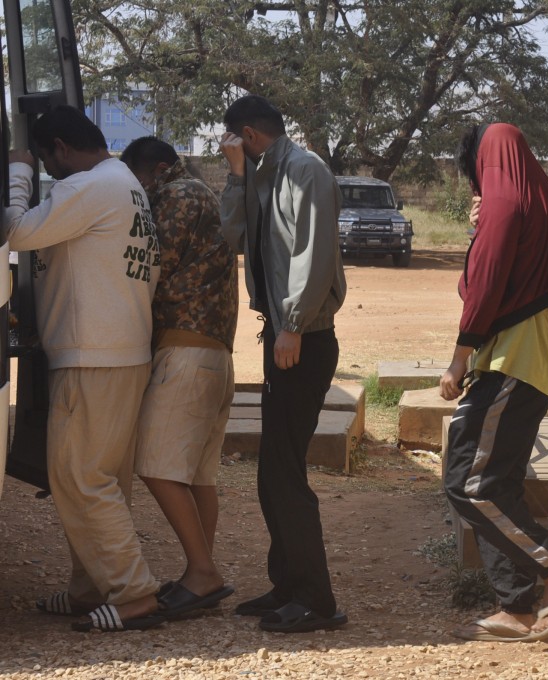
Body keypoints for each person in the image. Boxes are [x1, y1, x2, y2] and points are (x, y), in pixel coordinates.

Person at [5, 106, 163, 632]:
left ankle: (135, 592)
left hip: (92, 355)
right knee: (103, 479)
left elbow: (15, 231)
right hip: (120, 353)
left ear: (60, 148)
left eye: (48, 160)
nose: (51, 171)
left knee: (78, 478)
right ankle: (89, 587)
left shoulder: (90, 187)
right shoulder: (123, 184)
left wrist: (19, 172)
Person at [442, 123, 548, 643]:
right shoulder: (541, 201)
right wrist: (477, 228)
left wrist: (457, 361)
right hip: (530, 362)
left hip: (510, 360)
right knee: (495, 483)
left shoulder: (505, 204)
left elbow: (481, 287)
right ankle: (516, 606)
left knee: (466, 481)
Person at [218, 95, 348, 633]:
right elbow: (230, 236)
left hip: (305, 338)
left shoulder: (305, 170)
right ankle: (287, 585)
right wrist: (235, 178)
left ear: (247, 133)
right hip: (282, 335)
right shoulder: (261, 173)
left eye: (228, 138)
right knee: (272, 473)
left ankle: (317, 600)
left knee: (286, 473)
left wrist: (292, 324)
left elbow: (314, 255)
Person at [121, 136, 239, 618]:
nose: (137, 190)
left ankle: (203, 572)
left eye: (139, 179)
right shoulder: (196, 192)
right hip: (210, 352)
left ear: (158, 169)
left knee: (153, 464)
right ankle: (200, 574)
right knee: (195, 475)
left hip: (185, 349)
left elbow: (152, 266)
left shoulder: (176, 195)